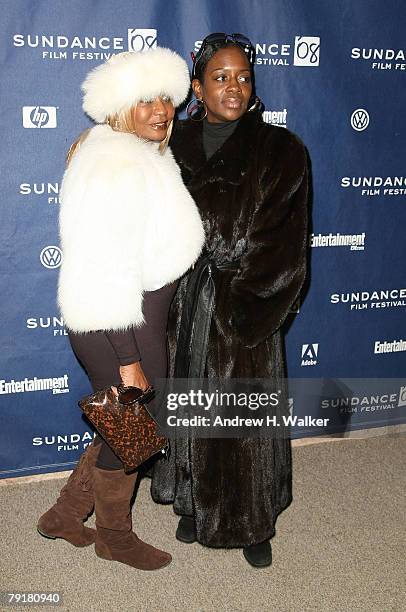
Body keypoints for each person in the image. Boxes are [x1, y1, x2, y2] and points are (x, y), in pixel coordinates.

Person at [37, 48, 205, 571]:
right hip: (119, 325)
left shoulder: (143, 150)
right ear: (119, 105)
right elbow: (104, 271)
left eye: (167, 99)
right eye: (145, 100)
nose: (161, 110)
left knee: (123, 424)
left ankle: (64, 516)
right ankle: (114, 535)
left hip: (134, 320)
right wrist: (129, 357)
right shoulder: (112, 162)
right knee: (132, 426)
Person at [151, 33, 309, 568]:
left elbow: (283, 245)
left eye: (244, 76)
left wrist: (244, 313)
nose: (234, 87)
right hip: (183, 298)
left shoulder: (281, 150)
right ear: (197, 86)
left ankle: (252, 521)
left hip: (243, 307)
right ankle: (195, 504)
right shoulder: (169, 144)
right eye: (220, 77)